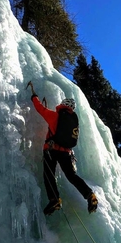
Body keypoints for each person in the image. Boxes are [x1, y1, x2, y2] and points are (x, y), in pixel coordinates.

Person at [27, 81, 98, 215]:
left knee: (49, 174)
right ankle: (90, 195)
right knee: (71, 176)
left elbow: (40, 109)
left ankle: (54, 199)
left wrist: (34, 97)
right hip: (66, 153)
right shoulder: (72, 122)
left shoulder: (55, 116)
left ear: (63, 105)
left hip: (51, 150)